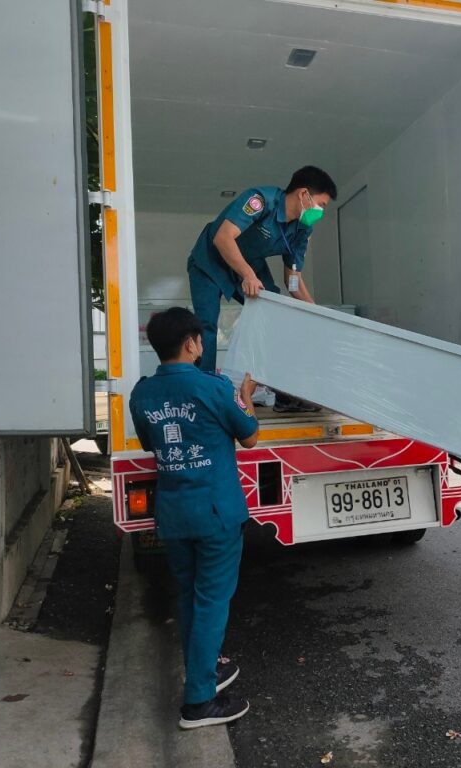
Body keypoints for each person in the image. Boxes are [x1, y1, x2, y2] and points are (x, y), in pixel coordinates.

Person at [129, 307, 260, 730]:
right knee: (212, 601)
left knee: (189, 596)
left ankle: (206, 670)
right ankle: (199, 702)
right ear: (191, 344)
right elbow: (250, 436)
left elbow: (150, 443)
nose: (202, 345)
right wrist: (247, 396)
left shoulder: (142, 394)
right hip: (216, 514)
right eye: (200, 339)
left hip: (175, 515)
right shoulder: (215, 387)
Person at [186, 165, 337, 411]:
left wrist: (315, 310)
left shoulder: (302, 228)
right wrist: (247, 274)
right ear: (303, 194)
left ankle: (285, 392)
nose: (320, 212)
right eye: (320, 205)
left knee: (275, 319)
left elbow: (293, 278)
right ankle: (204, 397)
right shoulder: (260, 201)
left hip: (250, 265)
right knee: (206, 327)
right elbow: (223, 237)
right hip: (210, 261)